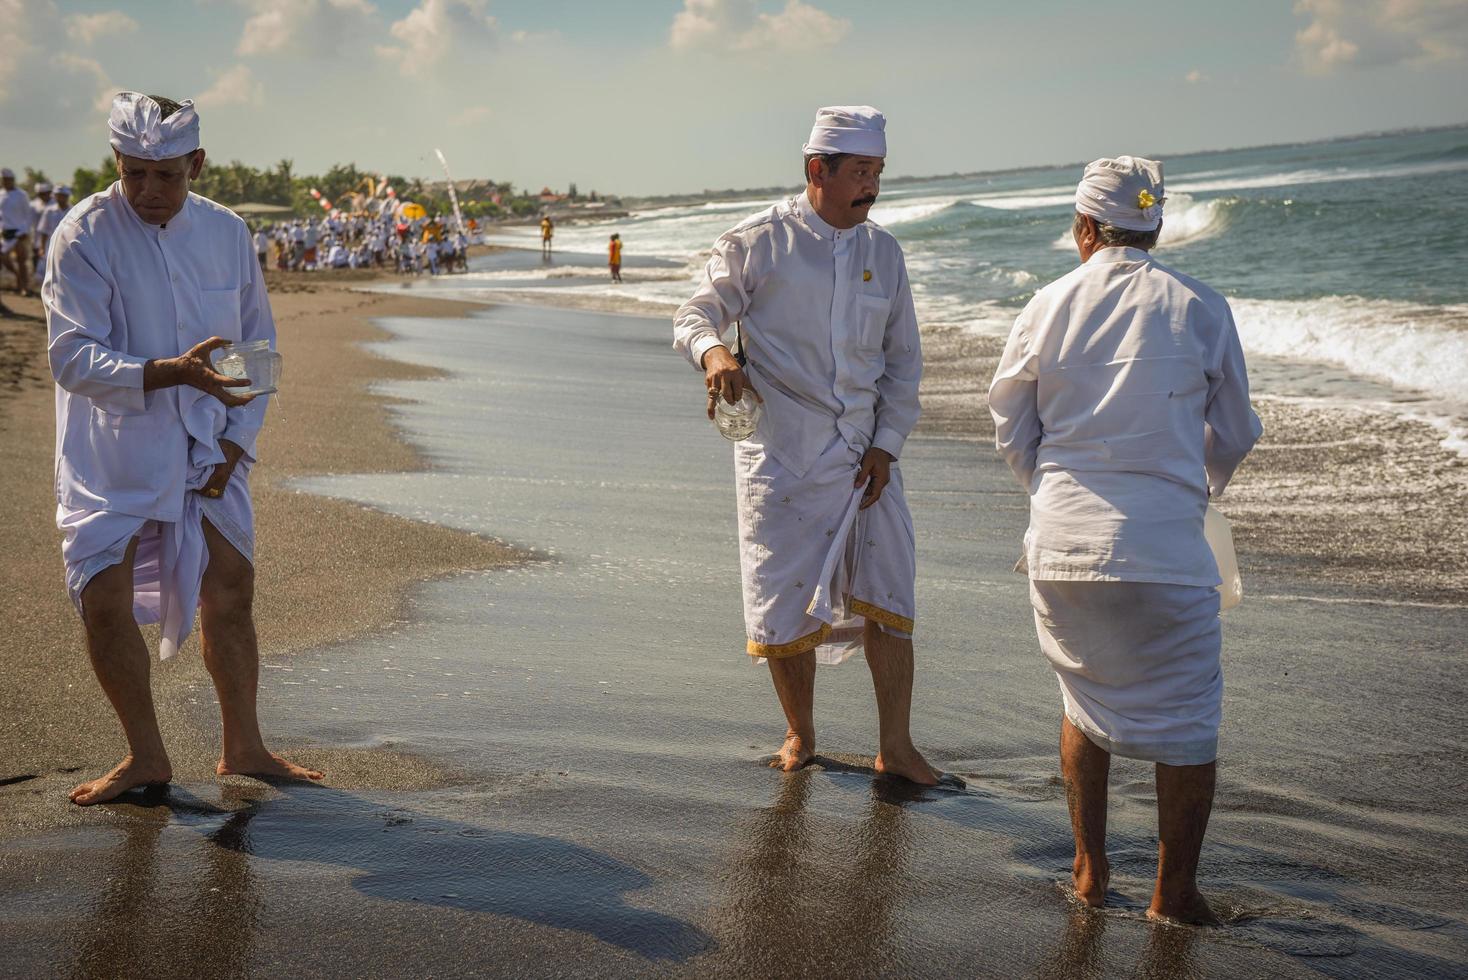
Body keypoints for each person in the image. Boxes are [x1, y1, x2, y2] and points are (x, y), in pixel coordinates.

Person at [988, 156, 1262, 924]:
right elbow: (1236, 431)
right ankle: (1174, 895)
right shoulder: (1201, 306)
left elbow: (1011, 424)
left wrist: (1051, 497)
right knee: (1188, 721)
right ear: (1157, 228)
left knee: (1084, 699)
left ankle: (1089, 870)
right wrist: (1188, 490)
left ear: (1084, 229)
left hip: (1063, 546)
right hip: (1166, 550)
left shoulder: (1046, 305)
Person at [43, 91, 324, 806]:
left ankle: (245, 746)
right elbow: (72, 359)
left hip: (209, 447)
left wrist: (237, 442)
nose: (148, 191)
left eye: (166, 174)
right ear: (116, 162)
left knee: (230, 592)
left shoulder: (227, 233)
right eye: (134, 172)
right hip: (114, 453)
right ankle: (145, 757)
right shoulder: (83, 235)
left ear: (197, 162)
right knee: (103, 601)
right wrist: (173, 372)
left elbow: (257, 350)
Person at [674, 106, 942, 785]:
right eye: (859, 172)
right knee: (781, 597)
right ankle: (800, 733)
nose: (872, 187)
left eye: (878, 172)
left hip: (866, 461)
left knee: (891, 596)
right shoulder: (758, 242)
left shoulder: (885, 252)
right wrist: (712, 357)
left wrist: (887, 444)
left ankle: (897, 747)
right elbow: (695, 315)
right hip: (782, 454)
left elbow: (903, 364)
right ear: (815, 170)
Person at [1, 168, 34, 295]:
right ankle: (18, 278)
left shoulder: (21, 194)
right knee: (4, 258)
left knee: (22, 261)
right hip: (5, 233)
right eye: (3, 180)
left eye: (8, 180)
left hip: (20, 232)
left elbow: (28, 214)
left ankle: (24, 287)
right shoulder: (1, 194)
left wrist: (24, 231)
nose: (5, 182)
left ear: (12, 180)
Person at [35, 185, 72, 263]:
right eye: (58, 196)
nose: (60, 198)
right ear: (55, 196)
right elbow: (44, 231)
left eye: (63, 196)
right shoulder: (49, 211)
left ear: (67, 196)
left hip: (68, 247)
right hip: (51, 246)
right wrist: (42, 248)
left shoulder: (74, 211)